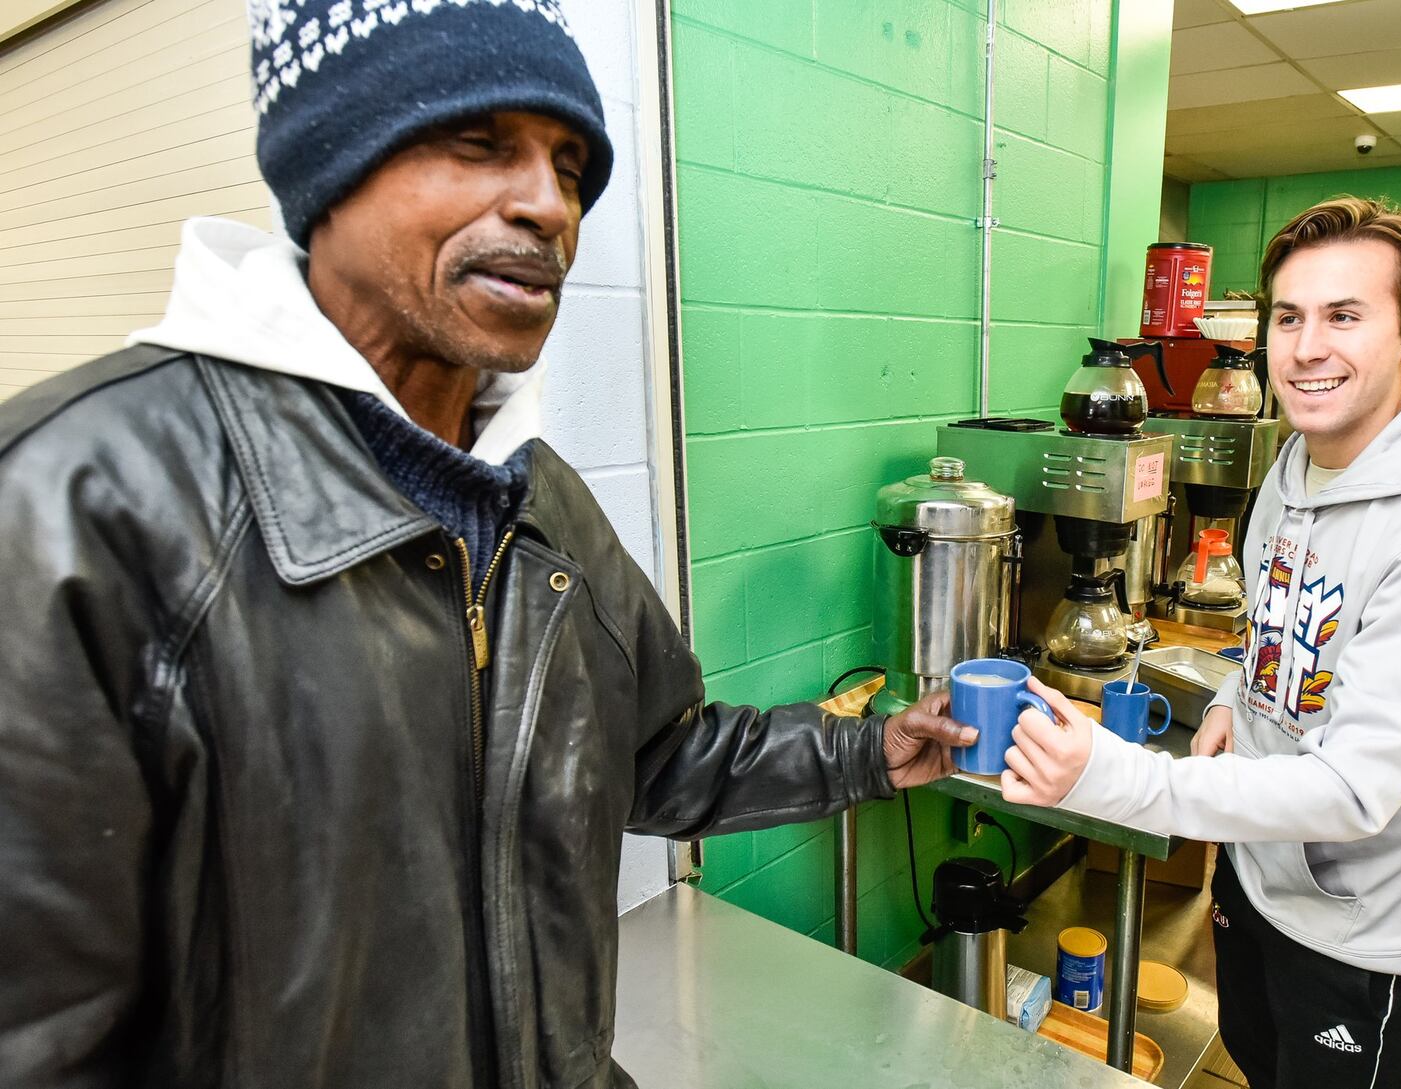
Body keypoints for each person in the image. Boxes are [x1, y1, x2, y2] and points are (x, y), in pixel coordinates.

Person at [0, 3, 975, 1086]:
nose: (546, 204)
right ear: (331, 163)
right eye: (478, 144)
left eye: (569, 163)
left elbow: (652, 751)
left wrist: (866, 750)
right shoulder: (69, 507)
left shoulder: (542, 504)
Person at [1002, 196, 1401, 1088]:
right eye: (1290, 316)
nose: (1307, 346)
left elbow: (1354, 789)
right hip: (1255, 880)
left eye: (1345, 315)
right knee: (1253, 1059)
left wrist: (1113, 776)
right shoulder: (1291, 467)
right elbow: (1280, 622)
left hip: (1364, 930)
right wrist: (1232, 698)